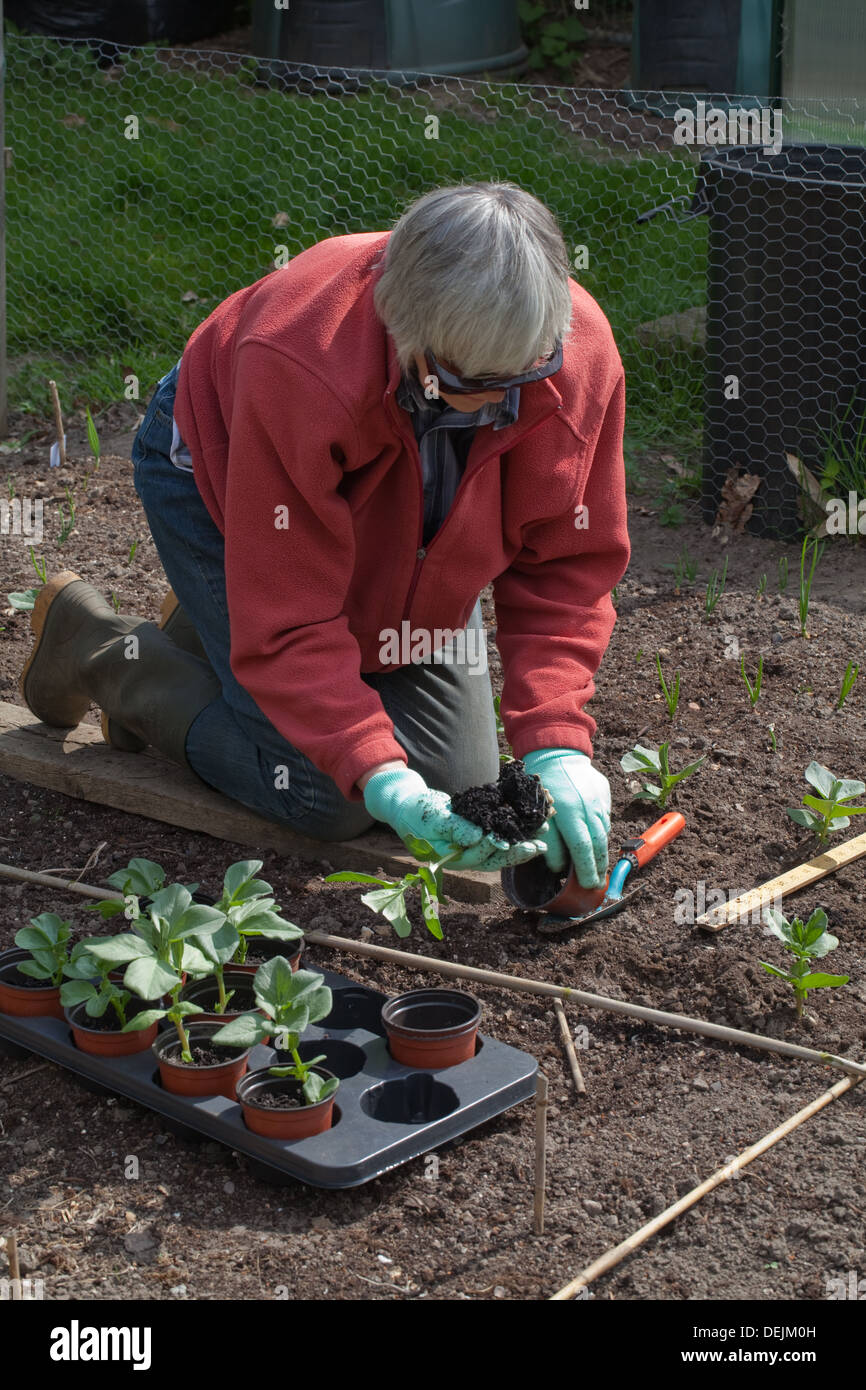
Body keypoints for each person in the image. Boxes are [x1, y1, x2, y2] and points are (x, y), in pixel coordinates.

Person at [20, 181, 629, 887]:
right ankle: (101, 651)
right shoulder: (300, 361)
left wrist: (557, 744)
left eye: (529, 374)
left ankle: (207, 628)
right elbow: (294, 616)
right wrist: (375, 774)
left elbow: (566, 568)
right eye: (476, 383)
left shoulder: (577, 357)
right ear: (407, 335)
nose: (503, 402)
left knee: (460, 781)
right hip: (221, 482)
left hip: (398, 534)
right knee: (326, 796)